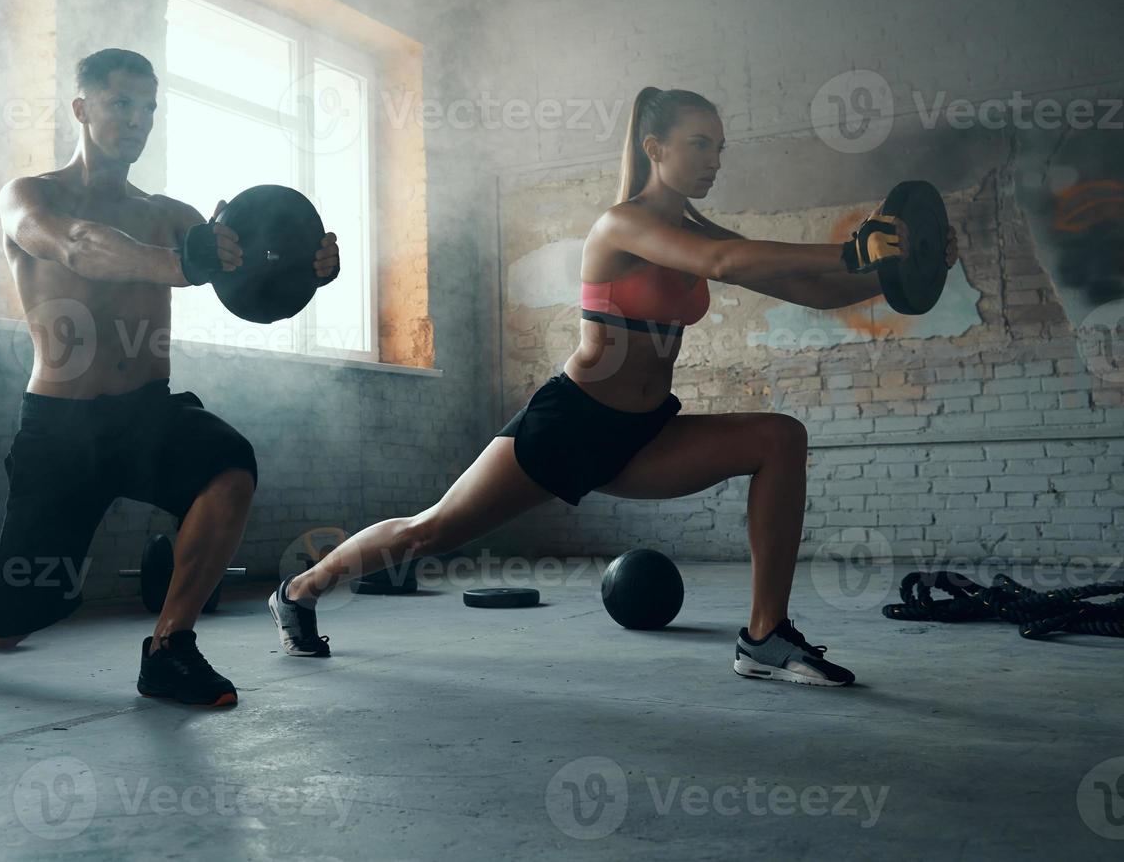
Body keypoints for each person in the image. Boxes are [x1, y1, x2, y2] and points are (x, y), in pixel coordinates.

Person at [269, 86, 958, 687]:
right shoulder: (622, 223)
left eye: (720, 147)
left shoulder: (690, 224)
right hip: (568, 425)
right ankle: (301, 590)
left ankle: (764, 638)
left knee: (780, 437)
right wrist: (850, 245)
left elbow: (798, 287)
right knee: (429, 533)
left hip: (643, 432)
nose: (714, 160)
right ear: (655, 146)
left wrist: (889, 271)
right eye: (699, 145)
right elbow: (723, 260)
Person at [0, 48, 339, 707]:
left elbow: (249, 283)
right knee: (11, 619)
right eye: (120, 104)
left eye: (149, 108)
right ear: (81, 108)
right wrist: (183, 261)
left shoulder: (168, 212)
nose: (137, 120)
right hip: (60, 427)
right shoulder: (30, 197)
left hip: (145, 414)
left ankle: (169, 648)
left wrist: (306, 270)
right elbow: (80, 246)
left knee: (228, 465)